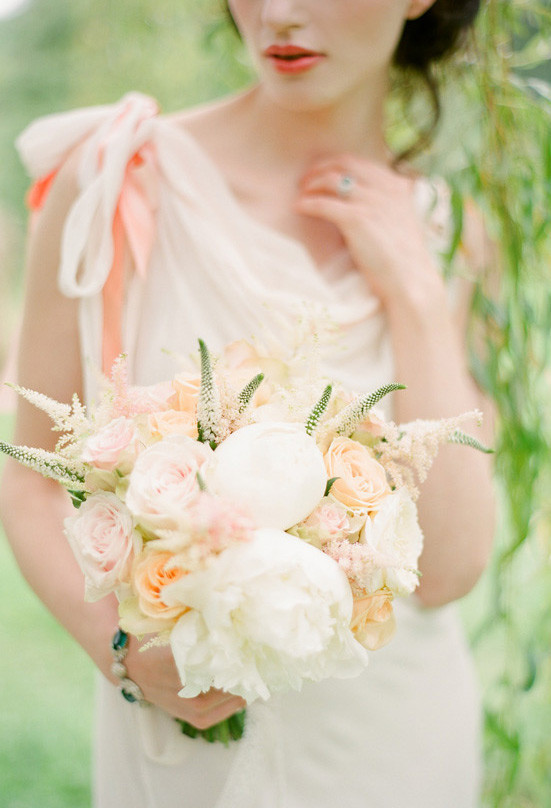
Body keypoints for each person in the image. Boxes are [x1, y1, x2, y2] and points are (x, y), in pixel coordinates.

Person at [0, 1, 496, 806]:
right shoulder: (117, 178)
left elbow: (447, 569)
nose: (279, 13)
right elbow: (29, 480)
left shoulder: (448, 227)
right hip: (187, 734)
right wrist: (124, 654)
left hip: (391, 741)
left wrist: (413, 288)